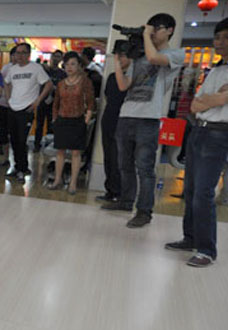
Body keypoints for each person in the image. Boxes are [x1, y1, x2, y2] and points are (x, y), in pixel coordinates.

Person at [101, 13, 186, 228]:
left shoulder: (175, 54)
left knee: (145, 168)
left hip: (148, 118)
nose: (152, 32)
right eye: (150, 28)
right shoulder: (139, 56)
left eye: (157, 28)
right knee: (124, 164)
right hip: (126, 115)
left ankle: (144, 211)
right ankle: (126, 201)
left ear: (170, 30)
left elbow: (154, 59)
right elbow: (124, 85)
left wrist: (146, 35)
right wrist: (118, 62)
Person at [164, 19, 228, 267]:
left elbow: (211, 102)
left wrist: (212, 100)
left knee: (203, 192)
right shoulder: (216, 70)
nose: (219, 42)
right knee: (190, 189)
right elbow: (194, 105)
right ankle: (190, 238)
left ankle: (206, 249)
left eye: (225, 37)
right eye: (217, 37)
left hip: (219, 134)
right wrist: (217, 97)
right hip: (199, 131)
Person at [4, 42, 53, 182]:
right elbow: (6, 83)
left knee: (22, 140)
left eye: (23, 53)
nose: (19, 56)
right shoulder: (12, 69)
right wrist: (8, 99)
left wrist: (37, 101)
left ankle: (22, 169)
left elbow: (48, 84)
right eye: (17, 53)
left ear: (28, 54)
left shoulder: (36, 68)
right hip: (13, 108)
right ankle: (18, 166)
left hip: (27, 109)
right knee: (14, 140)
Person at [48, 52, 95, 194]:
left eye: (73, 64)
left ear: (79, 66)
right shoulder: (61, 83)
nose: (69, 67)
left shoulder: (85, 81)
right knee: (60, 151)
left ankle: (73, 183)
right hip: (62, 120)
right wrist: (55, 119)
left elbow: (91, 102)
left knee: (75, 153)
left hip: (78, 120)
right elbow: (56, 103)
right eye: (67, 64)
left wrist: (86, 120)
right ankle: (57, 179)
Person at [96, 44, 131, 203]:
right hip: (109, 118)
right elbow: (108, 96)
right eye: (118, 56)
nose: (120, 59)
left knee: (118, 157)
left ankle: (119, 192)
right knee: (108, 156)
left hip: (123, 120)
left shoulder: (132, 77)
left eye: (123, 56)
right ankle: (110, 190)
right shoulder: (111, 77)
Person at [34, 50, 67, 152]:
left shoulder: (62, 74)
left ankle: (49, 147)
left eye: (58, 56)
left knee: (51, 125)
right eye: (54, 56)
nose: (56, 58)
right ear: (51, 57)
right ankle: (37, 145)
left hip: (55, 103)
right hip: (42, 101)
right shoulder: (43, 70)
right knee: (39, 124)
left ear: (61, 59)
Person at [0, 46, 18, 167]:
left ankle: (17, 160)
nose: (16, 57)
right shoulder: (6, 68)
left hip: (17, 105)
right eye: (14, 55)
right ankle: (5, 157)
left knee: (15, 133)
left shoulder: (24, 69)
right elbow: (2, 84)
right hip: (3, 104)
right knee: (2, 131)